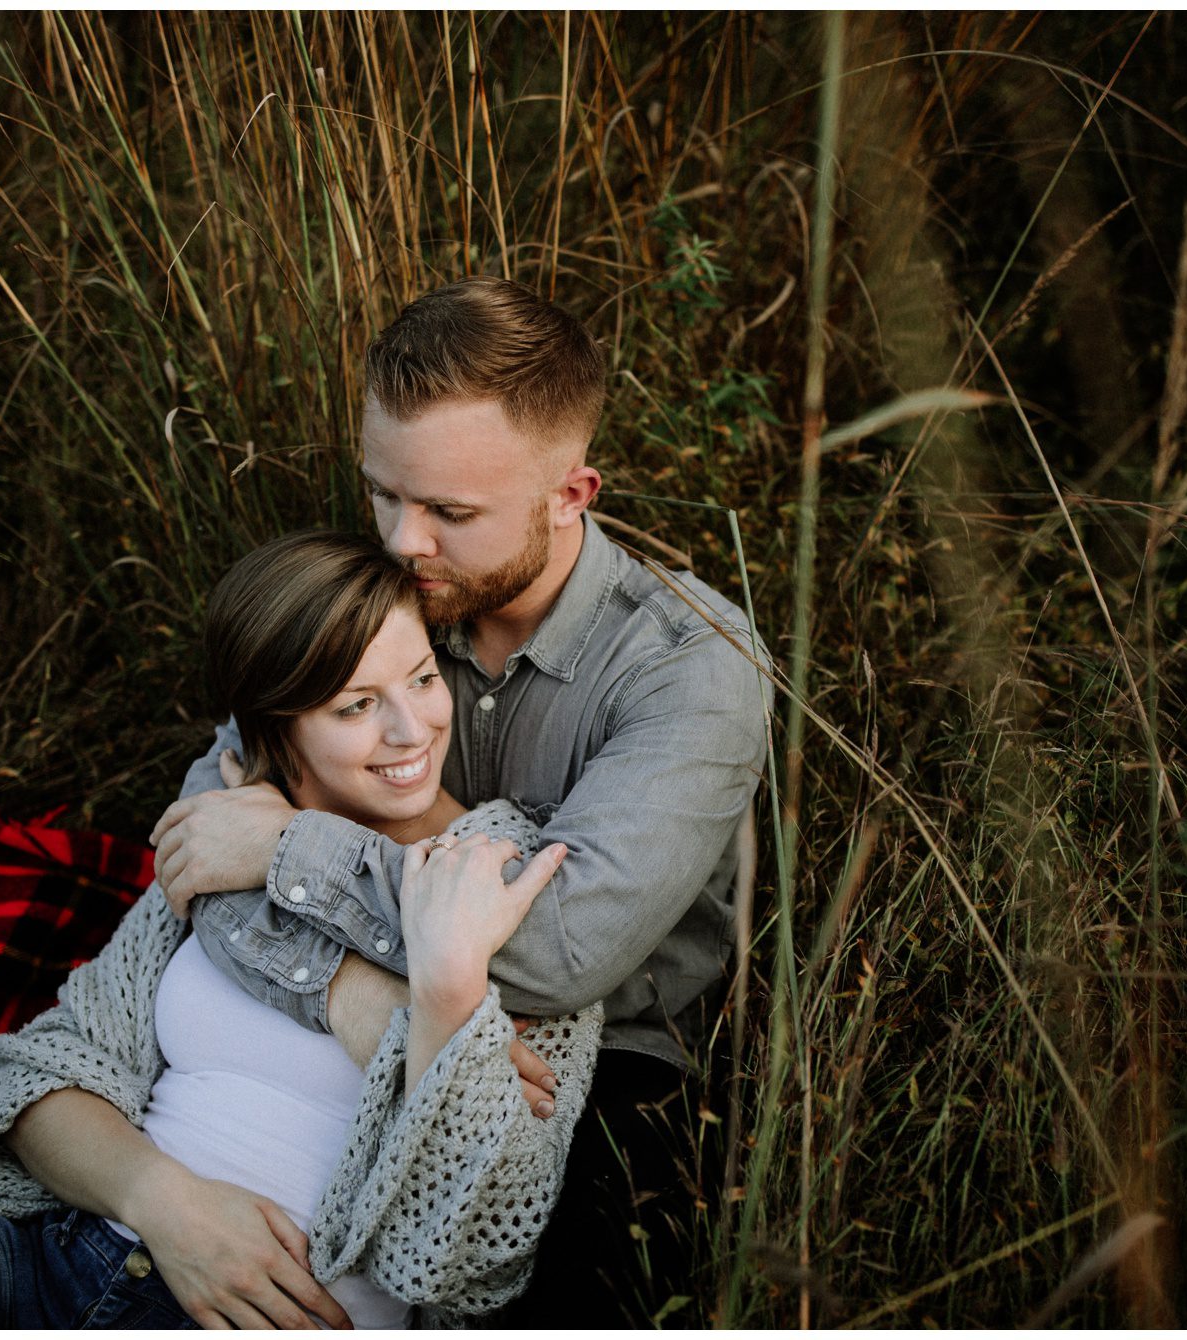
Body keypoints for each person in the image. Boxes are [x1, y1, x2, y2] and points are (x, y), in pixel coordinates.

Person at [0, 531, 602, 1329]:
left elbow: (470, 1258)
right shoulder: (229, 838)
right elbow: (40, 1076)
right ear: (275, 728)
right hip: (51, 1252)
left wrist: (438, 998)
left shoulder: (495, 876)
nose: (411, 729)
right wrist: (164, 1200)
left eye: (421, 677)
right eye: (354, 705)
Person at [152, 276, 770, 1323]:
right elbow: (202, 836)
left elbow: (554, 952)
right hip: (345, 1004)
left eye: (446, 510)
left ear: (570, 493)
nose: (399, 541)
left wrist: (295, 849)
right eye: (381, 492)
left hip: (590, 1061)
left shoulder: (689, 666)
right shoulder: (400, 586)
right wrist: (361, 1002)